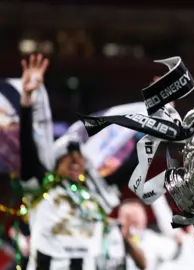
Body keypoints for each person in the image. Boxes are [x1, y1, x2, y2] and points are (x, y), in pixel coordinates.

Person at [19, 54, 137, 270]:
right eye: (67, 156)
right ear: (54, 162)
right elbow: (27, 151)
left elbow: (134, 164)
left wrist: (158, 118)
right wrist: (27, 104)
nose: (75, 161)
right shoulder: (39, 189)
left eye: (79, 157)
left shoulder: (95, 193)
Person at [101, 199, 180, 270]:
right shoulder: (110, 230)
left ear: (145, 219)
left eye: (136, 215)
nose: (132, 219)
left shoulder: (150, 238)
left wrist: (128, 239)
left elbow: (143, 265)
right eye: (128, 216)